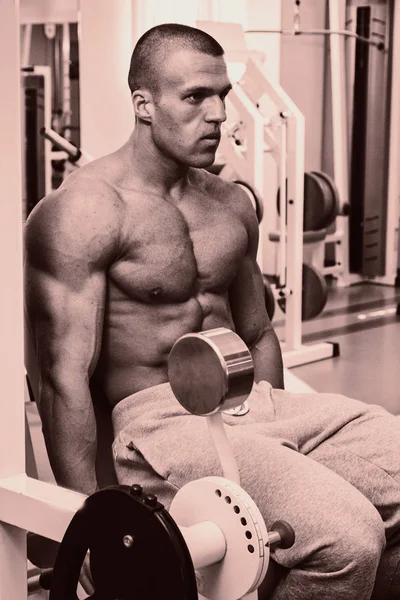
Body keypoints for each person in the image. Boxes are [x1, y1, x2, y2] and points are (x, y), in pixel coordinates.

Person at [24, 23, 400, 600]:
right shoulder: (84, 211)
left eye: (222, 94)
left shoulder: (229, 205)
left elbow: (256, 332)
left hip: (260, 408)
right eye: (195, 96)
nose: (219, 113)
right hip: (160, 426)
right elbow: (61, 380)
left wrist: (273, 449)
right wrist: (90, 523)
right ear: (143, 105)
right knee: (344, 537)